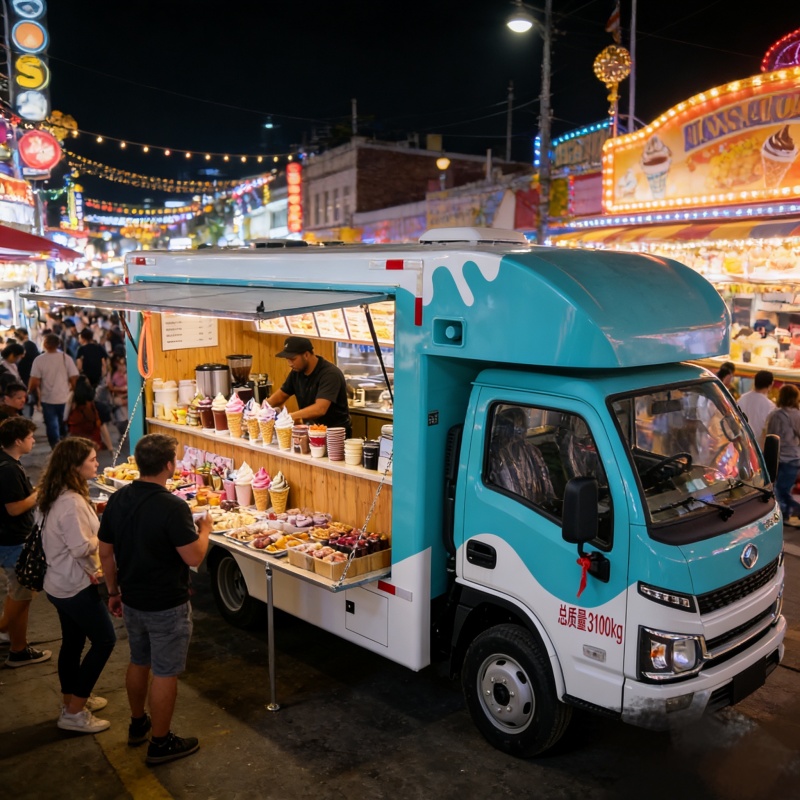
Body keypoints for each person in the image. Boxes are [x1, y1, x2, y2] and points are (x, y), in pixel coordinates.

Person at [99, 433, 212, 765]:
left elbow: (105, 553)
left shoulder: (119, 499)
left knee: (139, 660)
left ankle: (138, 725)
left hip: (132, 598)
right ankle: (160, 744)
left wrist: (113, 592)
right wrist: (205, 529)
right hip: (167, 603)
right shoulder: (173, 506)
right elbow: (193, 558)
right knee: (165, 671)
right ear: (168, 465)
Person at [39, 437, 116, 734]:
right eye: (93, 460)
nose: (98, 463)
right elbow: (82, 546)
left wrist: (94, 516)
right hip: (75, 585)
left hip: (57, 583)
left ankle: (71, 699)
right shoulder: (70, 502)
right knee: (105, 641)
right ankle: (73, 713)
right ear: (74, 466)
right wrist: (107, 533)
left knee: (72, 643)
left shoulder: (56, 493)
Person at [0, 416, 52, 667]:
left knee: (21, 594)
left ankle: (16, 645)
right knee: (21, 594)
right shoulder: (8, 469)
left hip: (13, 539)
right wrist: (39, 494)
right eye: (30, 437)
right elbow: (13, 508)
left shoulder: (11, 463)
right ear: (18, 440)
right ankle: (13, 643)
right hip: (12, 540)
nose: (34, 440)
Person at [266, 336, 352, 437]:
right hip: (312, 431)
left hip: (335, 434)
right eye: (287, 360)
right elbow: (281, 396)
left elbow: (320, 409)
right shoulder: (296, 372)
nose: (289, 364)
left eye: (293, 359)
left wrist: (288, 417)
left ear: (306, 354)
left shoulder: (330, 374)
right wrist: (262, 409)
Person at [28, 333, 79, 448]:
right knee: (63, 423)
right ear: (58, 344)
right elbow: (74, 378)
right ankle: (64, 444)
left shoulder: (39, 360)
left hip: (47, 398)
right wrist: (73, 393)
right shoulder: (66, 358)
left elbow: (35, 381)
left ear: (44, 344)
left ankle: (55, 447)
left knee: (51, 425)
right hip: (64, 397)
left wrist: (28, 392)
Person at [765, 384, 800, 527]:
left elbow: (770, 436)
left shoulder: (774, 415)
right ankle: (785, 514)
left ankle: (788, 512)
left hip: (777, 458)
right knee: (783, 489)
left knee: (779, 489)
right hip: (793, 458)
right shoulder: (798, 415)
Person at [67, 375, 113, 451]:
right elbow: (102, 427)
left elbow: (65, 416)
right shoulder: (94, 406)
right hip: (93, 441)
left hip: (77, 441)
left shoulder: (73, 402)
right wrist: (110, 447)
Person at [737, 370, 775, 447]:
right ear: (770, 385)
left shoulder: (742, 398)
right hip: (758, 448)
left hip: (742, 444)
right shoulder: (770, 405)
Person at [14, 327, 39, 417]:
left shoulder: (28, 345)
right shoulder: (26, 345)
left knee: (29, 396)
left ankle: (29, 416)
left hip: (29, 375)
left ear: (25, 335)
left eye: (19, 334)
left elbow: (29, 361)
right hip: (28, 375)